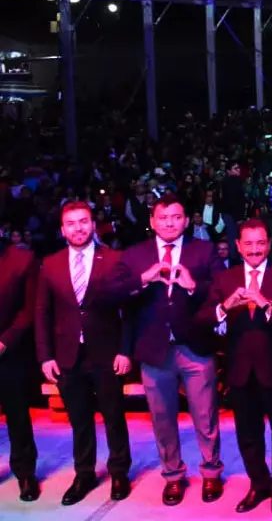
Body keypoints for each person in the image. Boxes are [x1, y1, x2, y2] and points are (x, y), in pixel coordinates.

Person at [100, 193, 226, 506]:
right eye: (163, 217)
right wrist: (143, 279)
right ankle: (173, 475)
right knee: (162, 418)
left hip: (195, 346)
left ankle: (211, 472)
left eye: (176, 217)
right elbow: (111, 294)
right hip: (154, 350)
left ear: (186, 221)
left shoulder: (204, 250)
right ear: (152, 222)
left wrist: (192, 286)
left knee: (205, 415)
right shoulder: (134, 254)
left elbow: (222, 290)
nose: (169, 223)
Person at [200, 218, 272, 514]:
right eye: (249, 243)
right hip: (240, 370)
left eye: (260, 243)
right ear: (238, 246)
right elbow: (202, 319)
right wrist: (223, 308)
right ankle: (259, 484)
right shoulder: (224, 279)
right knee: (248, 433)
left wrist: (267, 304)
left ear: (269, 244)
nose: (255, 249)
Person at [35, 202, 132, 505]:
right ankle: (84, 474)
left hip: (106, 353)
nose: (78, 228)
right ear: (62, 230)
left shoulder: (115, 259)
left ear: (93, 224)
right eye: (71, 223)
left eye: (83, 221)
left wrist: (125, 350)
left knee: (114, 416)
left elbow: (128, 311)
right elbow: (42, 314)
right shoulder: (50, 264)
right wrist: (45, 356)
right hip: (67, 355)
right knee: (79, 419)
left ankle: (119, 472)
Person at [0, 235, 41, 502]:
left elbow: (29, 310)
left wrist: (5, 341)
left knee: (17, 417)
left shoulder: (21, 259)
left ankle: (25, 473)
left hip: (9, 352)